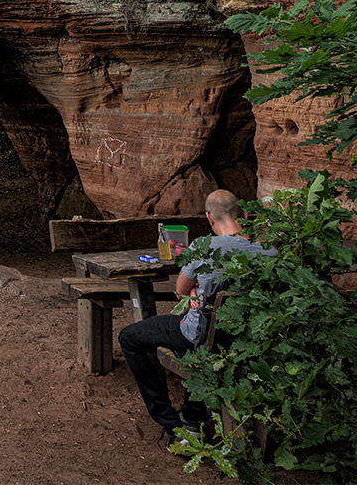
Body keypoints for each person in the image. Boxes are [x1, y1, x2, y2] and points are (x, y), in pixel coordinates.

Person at [117, 189, 275, 451]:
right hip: (249, 340)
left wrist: (193, 290)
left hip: (201, 336)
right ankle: (192, 414)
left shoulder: (204, 248)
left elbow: (179, 289)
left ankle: (172, 422)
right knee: (200, 343)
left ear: (209, 218)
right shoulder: (269, 252)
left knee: (130, 338)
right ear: (244, 215)